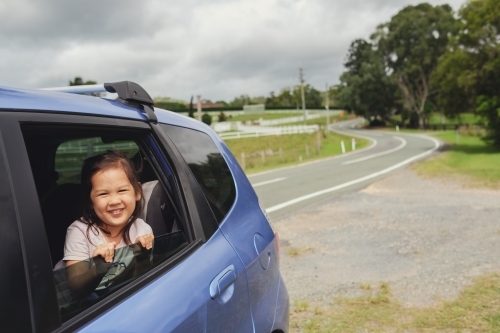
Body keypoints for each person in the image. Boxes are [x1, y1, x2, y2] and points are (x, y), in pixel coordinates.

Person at [60, 150, 154, 298]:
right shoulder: (80, 231)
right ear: (90, 201)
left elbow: (141, 281)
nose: (114, 201)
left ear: (137, 192)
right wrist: (97, 269)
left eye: (122, 190)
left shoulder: (142, 229)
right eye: (103, 194)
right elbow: (75, 288)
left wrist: (142, 257)